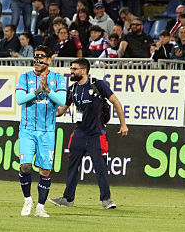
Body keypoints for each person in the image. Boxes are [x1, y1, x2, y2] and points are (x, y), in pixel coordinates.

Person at [53, 58, 128, 209]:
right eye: (71, 69)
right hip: (79, 133)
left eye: (74, 69)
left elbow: (116, 102)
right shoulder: (72, 89)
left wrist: (123, 124)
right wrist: (48, 101)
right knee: (73, 167)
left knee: (100, 167)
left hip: (96, 134)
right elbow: (61, 111)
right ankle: (68, 199)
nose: (71, 72)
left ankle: (106, 200)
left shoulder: (97, 84)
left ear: (84, 70)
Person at [15, 45, 67, 218]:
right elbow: (20, 99)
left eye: (41, 57)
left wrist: (47, 90)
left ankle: (40, 207)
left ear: (49, 60)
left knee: (45, 170)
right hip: (28, 130)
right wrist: (37, 91)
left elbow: (61, 100)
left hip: (47, 131)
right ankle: (28, 200)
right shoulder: (25, 77)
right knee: (26, 165)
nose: (37, 61)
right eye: (35, 57)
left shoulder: (58, 79)